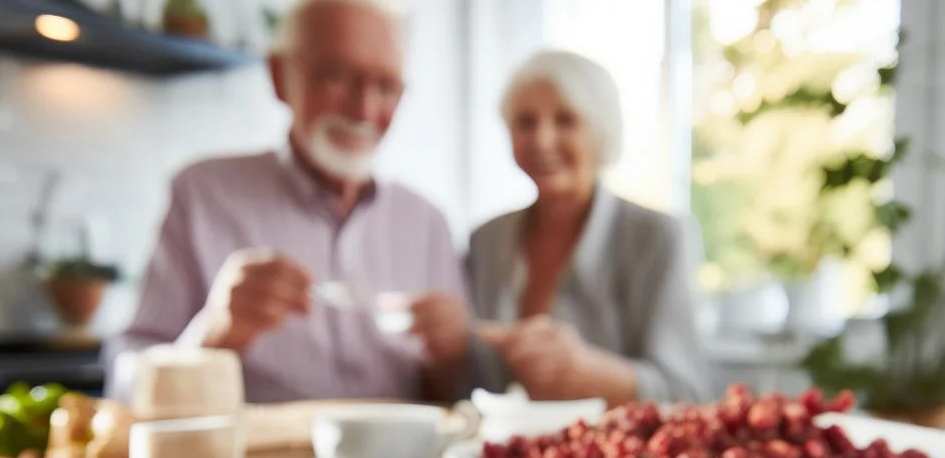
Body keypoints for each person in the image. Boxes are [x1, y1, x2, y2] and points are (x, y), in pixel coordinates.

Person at [103, 0, 471, 404]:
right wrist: (214, 332)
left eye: (385, 86)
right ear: (279, 77)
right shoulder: (202, 195)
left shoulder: (428, 223)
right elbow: (123, 385)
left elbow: (459, 399)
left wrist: (455, 358)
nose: (364, 109)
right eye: (337, 76)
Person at [463, 50, 712, 405]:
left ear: (601, 130)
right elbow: (471, 384)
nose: (542, 140)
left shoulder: (657, 236)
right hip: (494, 454)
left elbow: (689, 395)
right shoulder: (485, 241)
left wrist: (594, 375)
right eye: (525, 122)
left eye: (565, 120)